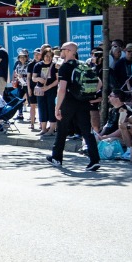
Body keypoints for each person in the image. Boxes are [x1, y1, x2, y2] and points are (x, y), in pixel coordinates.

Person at [48, 41, 100, 170]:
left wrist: (57, 107)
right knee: (87, 131)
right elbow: (99, 83)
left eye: (62, 49)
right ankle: (94, 160)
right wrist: (87, 94)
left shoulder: (65, 67)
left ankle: (57, 158)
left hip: (68, 102)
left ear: (69, 51)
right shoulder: (83, 65)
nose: (61, 52)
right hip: (83, 102)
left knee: (62, 130)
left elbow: (62, 89)